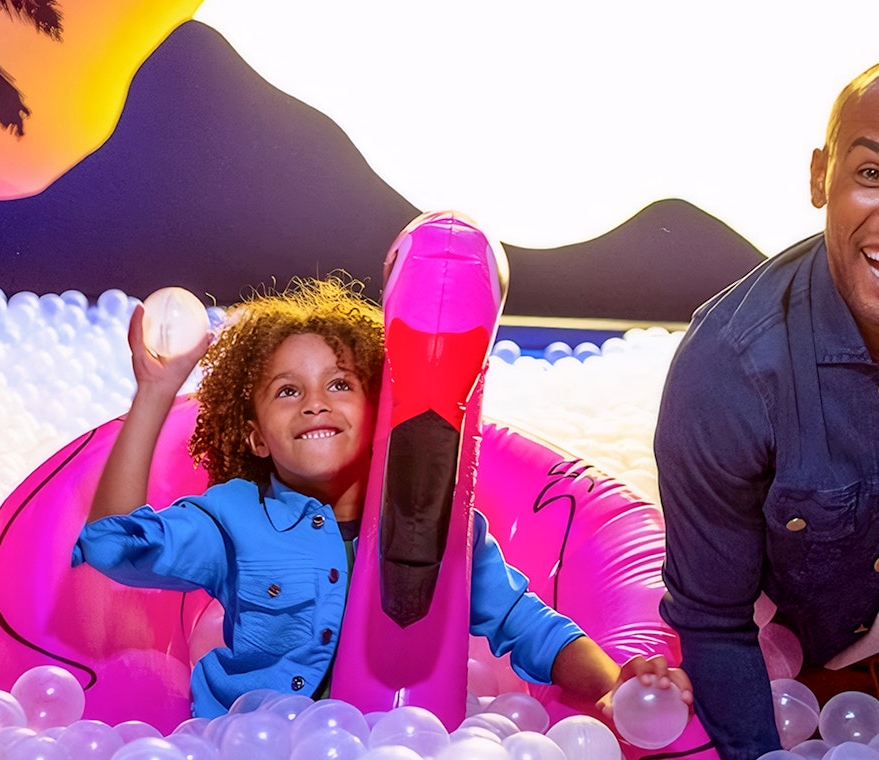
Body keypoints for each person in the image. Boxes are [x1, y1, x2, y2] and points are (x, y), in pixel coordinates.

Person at [73, 275, 692, 723]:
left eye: (340, 384)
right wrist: (156, 390)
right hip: (244, 739)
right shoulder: (231, 518)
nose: (316, 402)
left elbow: (529, 627)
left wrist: (614, 687)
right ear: (255, 436)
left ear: (378, 414)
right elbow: (110, 546)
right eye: (287, 391)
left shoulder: (440, 529)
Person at [655, 55, 879, 759]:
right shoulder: (729, 369)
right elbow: (712, 620)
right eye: (873, 173)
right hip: (803, 677)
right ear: (820, 177)